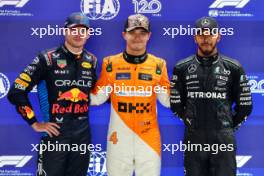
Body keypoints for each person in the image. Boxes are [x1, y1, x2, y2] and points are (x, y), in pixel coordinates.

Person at [7, 12, 97, 176]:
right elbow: (16, 92)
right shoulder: (47, 58)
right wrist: (34, 123)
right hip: (55, 136)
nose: (78, 34)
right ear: (65, 31)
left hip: (82, 137)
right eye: (73, 29)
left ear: (89, 34)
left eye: (83, 30)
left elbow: (98, 94)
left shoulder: (92, 60)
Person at [170, 16, 253, 176]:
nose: (206, 39)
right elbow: (176, 105)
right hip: (194, 137)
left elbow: (245, 106)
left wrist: (226, 126)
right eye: (201, 35)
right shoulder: (182, 67)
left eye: (210, 34)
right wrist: (191, 122)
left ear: (218, 36)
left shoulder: (233, 67)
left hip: (223, 139)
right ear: (195, 38)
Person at [90, 14, 170, 176]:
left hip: (148, 141)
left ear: (149, 36)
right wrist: (72, 88)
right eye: (132, 32)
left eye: (142, 33)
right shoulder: (110, 63)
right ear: (124, 34)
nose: (137, 37)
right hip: (118, 140)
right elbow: (97, 98)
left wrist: (187, 92)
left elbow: (168, 101)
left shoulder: (159, 65)